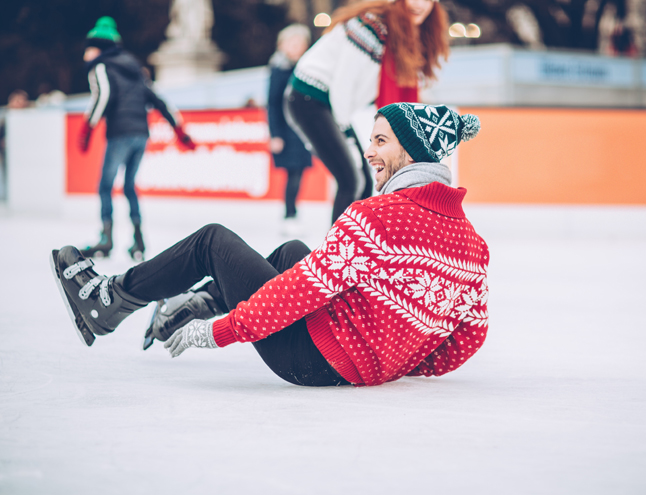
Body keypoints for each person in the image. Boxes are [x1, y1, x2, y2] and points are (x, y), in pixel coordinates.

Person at [51, 102, 487, 388]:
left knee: (212, 242)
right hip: (356, 362)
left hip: (310, 357)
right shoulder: (472, 244)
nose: (369, 152)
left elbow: (301, 291)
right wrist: (401, 362)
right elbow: (471, 335)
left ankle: (108, 302)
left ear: (411, 153)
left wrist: (220, 332)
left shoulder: (376, 216)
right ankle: (198, 301)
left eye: (380, 141)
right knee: (293, 253)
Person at [286, 0, 450, 223]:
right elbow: (343, 86)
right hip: (309, 97)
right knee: (350, 180)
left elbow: (405, 87)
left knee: (363, 181)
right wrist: (347, 138)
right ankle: (335, 253)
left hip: (329, 105)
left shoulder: (401, 33)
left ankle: (355, 244)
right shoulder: (371, 27)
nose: (420, 4)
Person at [79, 16, 195, 261]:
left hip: (120, 133)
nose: (85, 55)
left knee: (105, 186)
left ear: (98, 47)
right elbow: (156, 97)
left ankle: (106, 239)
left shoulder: (100, 66)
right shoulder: (134, 67)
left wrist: (87, 128)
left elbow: (102, 96)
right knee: (130, 186)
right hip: (141, 134)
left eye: (88, 49)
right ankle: (138, 241)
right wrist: (178, 129)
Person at [267, 24, 312, 235]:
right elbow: (273, 103)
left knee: (299, 172)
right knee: (292, 174)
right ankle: (289, 214)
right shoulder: (279, 69)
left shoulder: (306, 67)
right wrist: (275, 134)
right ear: (283, 45)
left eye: (301, 43)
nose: (298, 47)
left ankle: (293, 213)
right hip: (286, 131)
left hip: (302, 130)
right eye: (294, 43)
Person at [0, 90, 30, 201]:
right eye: (16, 100)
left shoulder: (31, 117)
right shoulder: (4, 117)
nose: (18, 103)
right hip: (6, 153)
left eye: (21, 100)